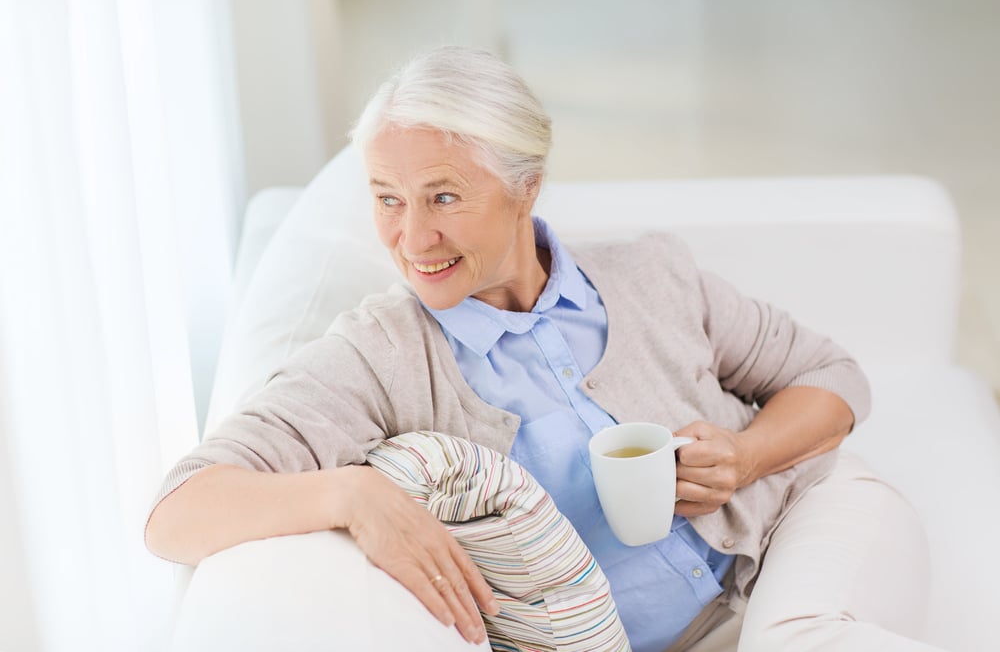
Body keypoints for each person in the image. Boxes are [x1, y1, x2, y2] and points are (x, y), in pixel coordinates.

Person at [146, 46, 941, 651]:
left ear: (526, 185)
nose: (411, 237)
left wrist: (747, 453)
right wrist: (351, 495)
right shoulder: (378, 352)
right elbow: (177, 508)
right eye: (387, 200)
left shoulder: (648, 273)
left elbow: (832, 378)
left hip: (800, 529)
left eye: (444, 197)